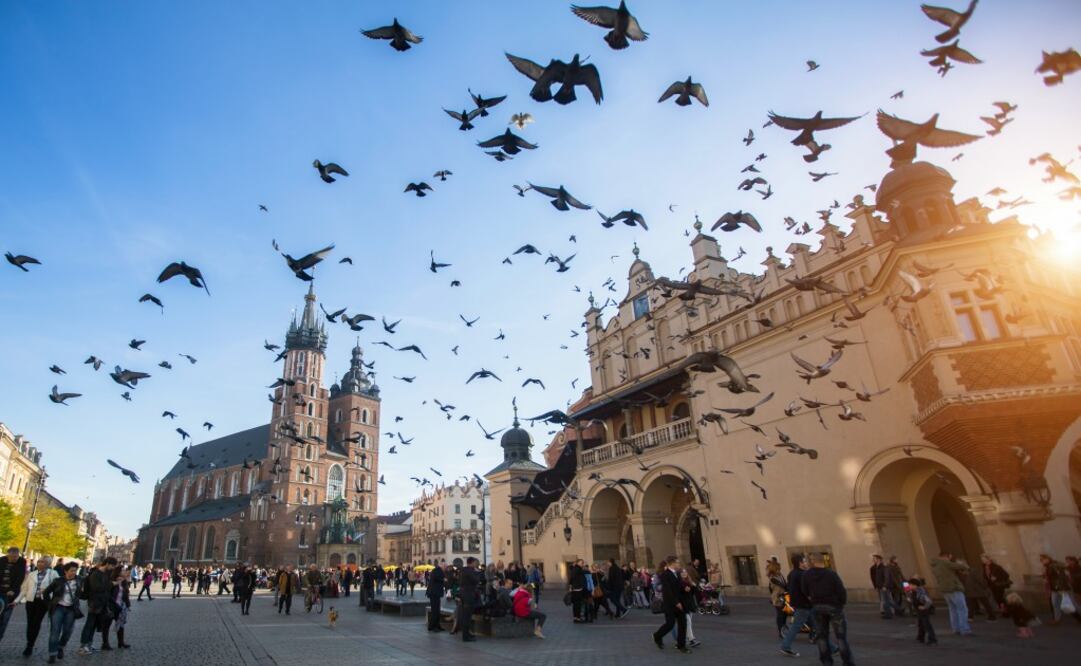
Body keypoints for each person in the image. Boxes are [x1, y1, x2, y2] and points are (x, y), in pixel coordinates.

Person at [801, 552, 854, 666]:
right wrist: (840, 604)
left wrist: (812, 598)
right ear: (822, 561)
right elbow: (841, 591)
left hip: (817, 606)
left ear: (812, 562)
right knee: (840, 637)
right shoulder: (831, 574)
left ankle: (826, 661)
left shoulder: (807, 575)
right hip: (833, 606)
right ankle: (847, 662)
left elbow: (804, 590)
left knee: (822, 637)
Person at [15, 555, 59, 657]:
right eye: (39, 561)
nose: (40, 563)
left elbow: (58, 587)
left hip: (43, 602)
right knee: (30, 623)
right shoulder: (32, 574)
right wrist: (17, 601)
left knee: (36, 622)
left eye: (42, 562)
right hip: (31, 601)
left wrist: (49, 593)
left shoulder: (53, 574)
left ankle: (30, 645)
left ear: (48, 564)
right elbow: (24, 589)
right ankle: (29, 642)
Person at [43, 562, 82, 664]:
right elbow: (46, 592)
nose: (74, 573)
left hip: (71, 609)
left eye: (75, 571)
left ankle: (61, 646)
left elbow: (84, 593)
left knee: (67, 631)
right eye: (71, 571)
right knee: (55, 631)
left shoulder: (79, 580)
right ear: (65, 571)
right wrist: (49, 604)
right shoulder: (58, 581)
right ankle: (52, 654)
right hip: (58, 608)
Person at [77, 557, 117, 655]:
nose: (112, 568)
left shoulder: (105, 574)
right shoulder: (95, 574)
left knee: (94, 625)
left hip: (101, 602)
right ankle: (83, 646)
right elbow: (96, 588)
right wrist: (111, 584)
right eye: (112, 566)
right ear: (107, 563)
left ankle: (89, 644)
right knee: (89, 624)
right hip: (94, 603)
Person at [781, 553, 816, 657]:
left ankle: (833, 648)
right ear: (800, 563)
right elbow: (806, 590)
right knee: (796, 627)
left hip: (799, 604)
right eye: (804, 561)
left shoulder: (792, 573)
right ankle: (785, 647)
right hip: (804, 604)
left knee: (817, 626)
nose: (806, 563)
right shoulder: (802, 574)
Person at [929, 551, 971, 635]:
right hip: (954, 588)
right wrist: (962, 564)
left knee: (953, 610)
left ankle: (956, 628)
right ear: (947, 556)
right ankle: (964, 629)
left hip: (945, 589)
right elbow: (962, 567)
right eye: (950, 557)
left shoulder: (935, 565)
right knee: (962, 609)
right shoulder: (945, 563)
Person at [652, 556, 689, 653]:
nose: (679, 564)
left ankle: (681, 645)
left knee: (683, 623)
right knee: (670, 624)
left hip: (679, 603)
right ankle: (657, 635)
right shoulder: (665, 575)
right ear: (672, 563)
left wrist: (685, 588)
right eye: (677, 562)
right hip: (670, 604)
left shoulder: (677, 573)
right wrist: (676, 602)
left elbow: (678, 586)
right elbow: (667, 591)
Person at [1039, 553, 1081, 624]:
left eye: (1043, 559)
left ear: (1047, 559)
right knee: (1055, 603)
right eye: (1041, 560)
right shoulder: (1048, 566)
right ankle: (1057, 619)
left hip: (1062, 587)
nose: (1042, 561)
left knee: (1073, 604)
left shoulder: (1055, 564)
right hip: (1055, 588)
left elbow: (1062, 574)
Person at [0, 546, 28, 644]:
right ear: (8, 554)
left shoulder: (22, 562)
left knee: (4, 619)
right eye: (12, 557)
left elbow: (20, 578)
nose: (14, 559)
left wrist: (13, 590)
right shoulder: (2, 560)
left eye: (16, 557)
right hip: (0, 592)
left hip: (10, 595)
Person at [457, 557, 481, 642]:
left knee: (465, 615)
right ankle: (466, 636)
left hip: (463, 594)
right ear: (471, 563)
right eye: (475, 562)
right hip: (469, 595)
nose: (476, 564)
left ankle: (466, 634)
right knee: (467, 616)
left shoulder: (463, 570)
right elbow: (476, 581)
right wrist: (478, 573)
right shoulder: (470, 571)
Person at [908, 577, 937, 645]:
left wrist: (924, 607)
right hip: (918, 610)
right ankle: (920, 637)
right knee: (921, 624)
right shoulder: (913, 591)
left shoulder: (921, 592)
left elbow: (929, 601)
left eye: (911, 585)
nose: (909, 586)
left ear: (915, 585)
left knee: (927, 625)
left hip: (923, 611)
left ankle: (932, 639)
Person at [109, 567, 132, 649]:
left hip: (121, 606)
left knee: (120, 624)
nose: (125, 572)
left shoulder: (124, 581)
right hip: (112, 605)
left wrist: (128, 605)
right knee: (107, 624)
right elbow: (109, 593)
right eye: (123, 570)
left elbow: (126, 594)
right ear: (118, 572)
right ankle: (105, 643)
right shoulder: (112, 580)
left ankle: (121, 642)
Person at [677, 568, 701, 648]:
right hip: (683, 605)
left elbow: (695, 592)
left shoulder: (689, 582)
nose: (684, 574)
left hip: (689, 604)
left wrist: (694, 586)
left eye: (685, 572)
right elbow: (682, 591)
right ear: (679, 574)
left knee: (687, 623)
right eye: (682, 573)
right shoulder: (679, 583)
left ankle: (684, 639)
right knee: (688, 622)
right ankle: (691, 640)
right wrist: (685, 588)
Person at [767, 559, 789, 639]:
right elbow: (776, 588)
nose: (780, 568)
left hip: (783, 597)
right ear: (775, 568)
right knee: (780, 615)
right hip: (778, 598)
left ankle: (783, 629)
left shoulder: (780, 575)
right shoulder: (773, 578)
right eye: (778, 567)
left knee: (784, 614)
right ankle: (781, 631)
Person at [869, 554, 897, 619]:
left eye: (874, 558)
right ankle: (884, 611)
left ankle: (892, 610)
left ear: (879, 559)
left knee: (888, 599)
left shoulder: (884, 567)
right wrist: (875, 585)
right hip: (879, 586)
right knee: (882, 599)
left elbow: (886, 577)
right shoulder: (873, 568)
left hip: (884, 586)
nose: (873, 560)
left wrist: (885, 585)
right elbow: (873, 578)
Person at [427, 563, 446, 632]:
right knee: (435, 610)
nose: (445, 568)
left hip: (434, 593)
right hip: (434, 593)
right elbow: (437, 578)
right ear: (441, 566)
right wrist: (444, 579)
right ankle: (433, 626)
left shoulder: (436, 570)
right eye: (445, 567)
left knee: (436, 610)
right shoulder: (437, 571)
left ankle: (435, 626)